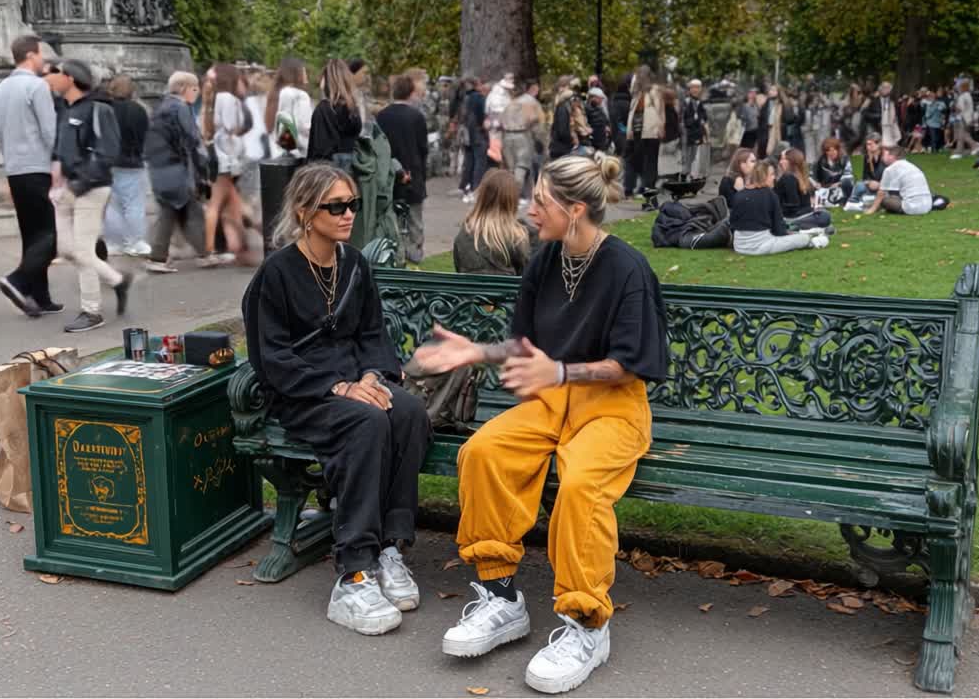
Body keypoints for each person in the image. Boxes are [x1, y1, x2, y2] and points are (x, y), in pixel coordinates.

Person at [413, 154, 668, 695]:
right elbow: (524, 347)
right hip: (552, 401)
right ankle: (501, 599)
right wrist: (475, 351)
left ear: (575, 210)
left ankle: (587, 625)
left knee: (580, 487)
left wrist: (561, 369)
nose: (530, 211)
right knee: (483, 452)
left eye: (542, 203)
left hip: (614, 406)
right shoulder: (544, 261)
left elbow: (633, 361)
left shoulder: (627, 269)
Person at [242, 163, 430, 635]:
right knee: (365, 423)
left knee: (407, 412)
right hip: (302, 391)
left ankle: (390, 545)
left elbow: (371, 332)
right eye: (336, 206)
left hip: (353, 380)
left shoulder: (354, 264)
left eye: (352, 204)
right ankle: (354, 571)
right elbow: (273, 357)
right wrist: (341, 388)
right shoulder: (276, 274)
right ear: (305, 212)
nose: (348, 214)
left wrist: (371, 374)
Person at [49, 59, 132, 332]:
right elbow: (61, 151)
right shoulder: (65, 108)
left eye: (56, 73)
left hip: (92, 188)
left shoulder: (99, 110)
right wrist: (57, 180)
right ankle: (117, 280)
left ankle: (91, 311)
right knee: (66, 249)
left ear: (70, 78)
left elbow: (108, 153)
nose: (52, 77)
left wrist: (77, 185)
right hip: (69, 187)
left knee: (83, 251)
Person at [0, 35, 60, 317]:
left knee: (32, 234)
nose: (43, 59)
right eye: (41, 54)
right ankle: (17, 279)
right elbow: (50, 131)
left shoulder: (0, 89)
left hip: (16, 168)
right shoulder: (37, 86)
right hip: (38, 166)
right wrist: (59, 165)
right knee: (53, 234)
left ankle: (38, 295)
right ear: (31, 55)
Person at [143, 71, 210, 274]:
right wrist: (204, 166)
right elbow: (192, 140)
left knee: (175, 211)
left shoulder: (160, 107)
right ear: (183, 88)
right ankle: (203, 254)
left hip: (159, 168)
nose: (197, 93)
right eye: (194, 88)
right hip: (177, 170)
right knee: (187, 210)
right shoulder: (181, 108)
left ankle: (164, 256)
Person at [200, 63, 250, 267]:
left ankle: (235, 247)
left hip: (217, 157)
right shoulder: (228, 99)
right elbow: (231, 127)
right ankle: (210, 250)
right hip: (226, 158)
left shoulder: (212, 99)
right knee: (218, 205)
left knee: (232, 205)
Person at [376, 73, 429, 264]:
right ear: (410, 92)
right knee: (415, 219)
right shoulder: (416, 117)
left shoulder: (381, 116)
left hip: (389, 174)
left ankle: (394, 251)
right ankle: (415, 252)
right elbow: (423, 149)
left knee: (392, 217)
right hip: (413, 173)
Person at [730, 160, 827, 256]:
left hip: (739, 246)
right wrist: (790, 236)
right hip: (761, 245)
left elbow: (733, 223)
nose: (774, 178)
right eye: (771, 174)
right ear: (764, 176)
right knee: (803, 238)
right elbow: (779, 230)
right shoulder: (769, 194)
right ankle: (814, 242)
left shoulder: (739, 194)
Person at [101, 74, 151, 257]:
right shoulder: (138, 110)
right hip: (133, 160)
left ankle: (115, 242)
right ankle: (135, 241)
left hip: (108, 162)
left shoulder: (105, 109)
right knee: (133, 204)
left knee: (112, 205)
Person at [452, 169, 534, 276]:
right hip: (508, 292)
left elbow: (459, 267)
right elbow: (526, 274)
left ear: (482, 196)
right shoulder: (517, 238)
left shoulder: (463, 236)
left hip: (471, 292)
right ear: (512, 201)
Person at [308, 59, 363, 171]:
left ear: (328, 79)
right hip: (349, 174)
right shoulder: (352, 108)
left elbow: (320, 150)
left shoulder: (324, 109)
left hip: (329, 175)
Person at [501, 80, 543, 205]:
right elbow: (535, 121)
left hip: (507, 136)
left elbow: (501, 120)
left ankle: (512, 194)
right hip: (522, 136)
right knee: (521, 166)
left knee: (511, 168)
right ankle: (514, 197)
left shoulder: (510, 103)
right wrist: (540, 140)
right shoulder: (530, 102)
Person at [624, 65, 663, 196]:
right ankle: (645, 185)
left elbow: (659, 110)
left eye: (642, 75)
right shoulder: (636, 92)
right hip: (638, 131)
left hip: (650, 131)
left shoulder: (653, 90)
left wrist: (660, 127)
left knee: (649, 159)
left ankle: (648, 186)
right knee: (641, 159)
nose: (640, 77)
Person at [266, 57, 314, 159]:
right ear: (296, 73)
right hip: (300, 153)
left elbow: (270, 127)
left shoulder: (275, 94)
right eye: (304, 70)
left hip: (278, 152)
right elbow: (305, 126)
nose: (306, 74)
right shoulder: (300, 95)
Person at [865, 144, 933, 216]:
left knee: (884, 200)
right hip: (927, 206)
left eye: (884, 155)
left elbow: (881, 193)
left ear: (892, 156)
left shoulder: (890, 169)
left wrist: (872, 209)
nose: (882, 158)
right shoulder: (912, 166)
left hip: (911, 208)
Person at [775, 148, 832, 231]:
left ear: (792, 161)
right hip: (789, 216)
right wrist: (810, 210)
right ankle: (795, 226)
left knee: (824, 214)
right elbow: (792, 206)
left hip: (799, 214)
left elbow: (805, 204)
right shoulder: (788, 178)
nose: (780, 162)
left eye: (783, 159)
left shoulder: (800, 177)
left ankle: (804, 226)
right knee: (823, 216)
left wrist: (812, 210)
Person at [457, 77, 488, 203]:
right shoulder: (478, 98)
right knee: (479, 161)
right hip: (476, 132)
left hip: (465, 133)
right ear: (477, 85)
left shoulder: (462, 97)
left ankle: (466, 186)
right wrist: (482, 126)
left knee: (468, 160)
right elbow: (481, 114)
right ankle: (476, 188)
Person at [844, 133, 886, 212]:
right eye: (867, 144)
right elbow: (864, 177)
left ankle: (859, 202)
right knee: (859, 184)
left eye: (870, 144)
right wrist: (869, 182)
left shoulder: (885, 157)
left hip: (884, 189)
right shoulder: (867, 158)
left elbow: (888, 176)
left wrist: (880, 185)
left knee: (867, 196)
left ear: (879, 144)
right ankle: (852, 202)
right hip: (871, 188)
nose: (868, 147)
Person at [680, 79, 708, 178]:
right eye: (693, 87)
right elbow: (683, 119)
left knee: (696, 156)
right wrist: (695, 120)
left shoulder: (700, 102)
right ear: (690, 89)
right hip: (688, 134)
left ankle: (693, 177)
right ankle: (684, 176)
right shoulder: (686, 102)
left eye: (698, 87)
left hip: (697, 133)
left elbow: (704, 116)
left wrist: (701, 120)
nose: (696, 90)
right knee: (687, 156)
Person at [812, 137, 854, 201]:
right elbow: (812, 176)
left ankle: (847, 200)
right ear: (825, 151)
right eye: (828, 150)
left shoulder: (844, 159)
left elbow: (848, 176)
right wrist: (816, 183)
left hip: (840, 186)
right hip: (824, 188)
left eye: (834, 150)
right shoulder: (819, 161)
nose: (831, 153)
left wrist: (839, 183)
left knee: (847, 182)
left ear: (838, 150)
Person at [757, 84, 784, 158]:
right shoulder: (767, 102)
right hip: (764, 130)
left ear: (778, 92)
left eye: (773, 90)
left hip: (775, 132)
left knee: (772, 152)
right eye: (770, 90)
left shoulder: (781, 104)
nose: (770, 92)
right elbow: (761, 116)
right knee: (763, 151)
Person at [586, 87, 612, 152]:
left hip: (603, 141)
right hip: (593, 142)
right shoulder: (586, 109)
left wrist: (607, 126)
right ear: (593, 97)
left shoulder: (600, 109)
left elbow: (606, 121)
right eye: (600, 98)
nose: (601, 100)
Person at [922, 88, 946, 153]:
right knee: (933, 137)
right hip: (931, 123)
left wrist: (937, 106)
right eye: (930, 96)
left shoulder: (940, 103)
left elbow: (943, 108)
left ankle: (937, 148)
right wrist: (933, 107)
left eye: (933, 96)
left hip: (938, 123)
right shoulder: (928, 105)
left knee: (938, 137)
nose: (932, 98)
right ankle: (934, 149)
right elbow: (927, 115)